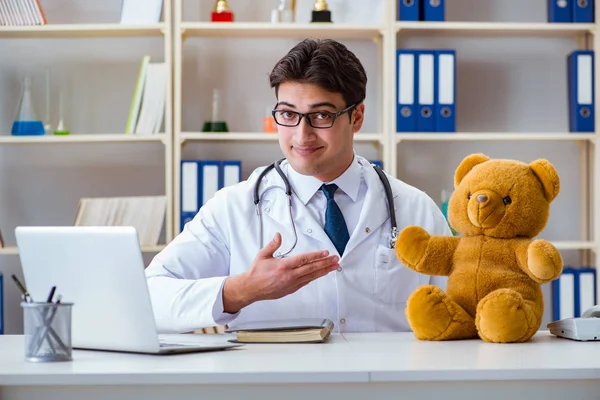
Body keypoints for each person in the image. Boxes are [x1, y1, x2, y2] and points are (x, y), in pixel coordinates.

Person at [145, 38, 451, 334]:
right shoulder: (233, 208)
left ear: (356, 117)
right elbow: (149, 295)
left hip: (387, 384)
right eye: (288, 114)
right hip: (275, 384)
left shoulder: (415, 209)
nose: (302, 136)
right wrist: (240, 290)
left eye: (321, 115)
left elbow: (460, 305)